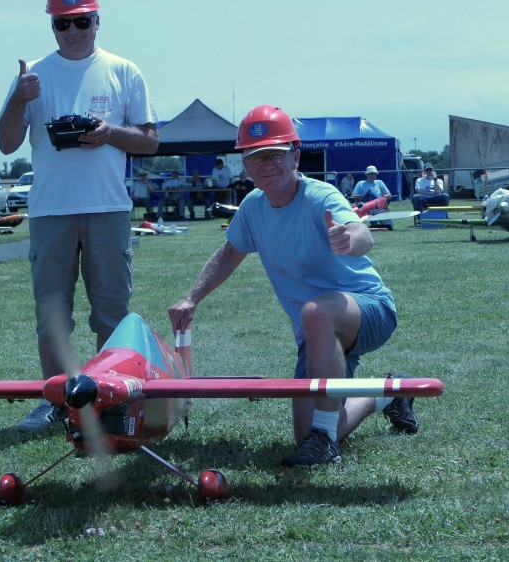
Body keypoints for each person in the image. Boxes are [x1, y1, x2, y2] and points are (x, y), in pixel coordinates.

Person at [167, 104, 416, 468]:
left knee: (315, 312)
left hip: (368, 310)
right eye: (256, 158)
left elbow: (361, 233)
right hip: (316, 333)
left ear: (295, 156)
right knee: (310, 429)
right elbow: (230, 253)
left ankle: (325, 444)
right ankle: (388, 395)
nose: (266, 164)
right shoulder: (253, 207)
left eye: (274, 155)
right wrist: (191, 298)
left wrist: (349, 238)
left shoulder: (321, 197)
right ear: (246, 165)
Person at [0, 0, 159, 434]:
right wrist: (17, 102)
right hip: (50, 211)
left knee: (111, 309)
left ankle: (111, 398)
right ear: (51, 26)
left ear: (97, 20)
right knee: (52, 314)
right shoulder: (33, 77)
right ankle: (55, 399)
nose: (72, 32)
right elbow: (7, 144)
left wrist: (108, 134)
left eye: (81, 22)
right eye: (62, 24)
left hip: (108, 207)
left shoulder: (125, 71)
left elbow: (149, 141)